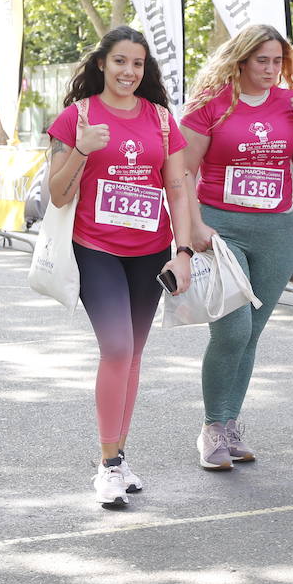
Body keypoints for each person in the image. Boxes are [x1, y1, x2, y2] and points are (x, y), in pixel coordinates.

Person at [45, 25, 196, 508]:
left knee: (132, 355)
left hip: (149, 252)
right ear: (101, 65)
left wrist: (184, 250)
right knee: (115, 347)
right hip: (97, 249)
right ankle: (108, 466)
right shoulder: (76, 118)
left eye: (138, 64)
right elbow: (57, 192)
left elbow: (177, 187)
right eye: (120, 62)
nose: (129, 72)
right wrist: (84, 150)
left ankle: (119, 454)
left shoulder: (161, 119)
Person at [180, 23, 293, 470]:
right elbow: (182, 171)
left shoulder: (289, 104)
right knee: (232, 329)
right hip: (222, 230)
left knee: (252, 333)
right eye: (261, 60)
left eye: (278, 61)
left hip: (276, 230)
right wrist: (195, 226)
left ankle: (230, 424)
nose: (271, 69)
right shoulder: (211, 105)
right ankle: (211, 429)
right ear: (240, 61)